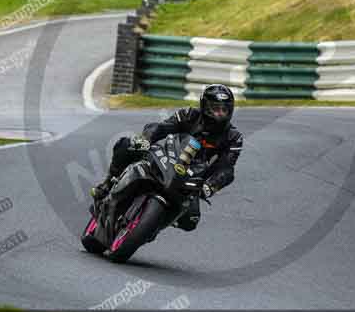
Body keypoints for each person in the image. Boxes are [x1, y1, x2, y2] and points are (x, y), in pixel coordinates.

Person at [91, 84, 243, 231]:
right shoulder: (189, 115)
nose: (220, 114)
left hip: (192, 180)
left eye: (224, 110)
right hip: (168, 157)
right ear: (205, 106)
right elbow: (162, 127)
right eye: (215, 109)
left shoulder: (233, 137)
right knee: (126, 145)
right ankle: (107, 183)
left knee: (190, 221)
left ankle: (151, 227)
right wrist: (146, 139)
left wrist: (211, 186)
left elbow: (227, 169)